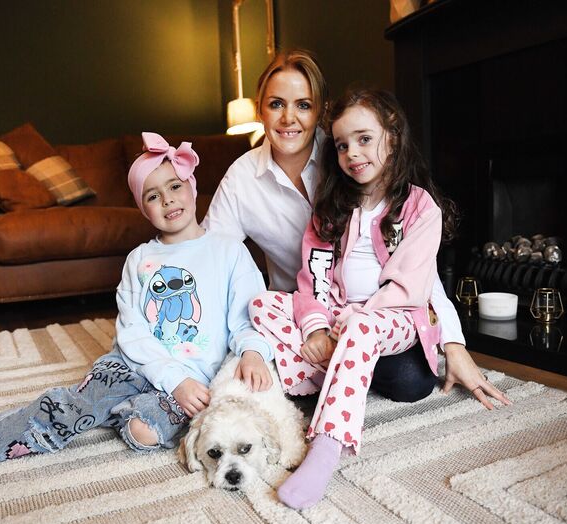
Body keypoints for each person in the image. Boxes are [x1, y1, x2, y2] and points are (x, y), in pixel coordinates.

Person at [0, 132, 273, 480]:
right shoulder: (140, 260)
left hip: (193, 385)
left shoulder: (228, 251)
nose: (168, 201)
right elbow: (131, 333)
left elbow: (249, 315)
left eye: (174, 187)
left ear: (192, 184)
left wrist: (253, 351)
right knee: (63, 413)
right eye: (153, 196)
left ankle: (126, 414)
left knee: (142, 433)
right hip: (133, 368)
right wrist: (172, 378)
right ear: (142, 207)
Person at [250, 87, 512, 509]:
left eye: (364, 138)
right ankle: (335, 369)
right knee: (262, 304)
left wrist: (357, 317)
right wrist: (319, 326)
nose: (353, 152)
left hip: (395, 317)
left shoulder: (419, 207)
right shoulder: (330, 207)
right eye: (341, 145)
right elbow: (311, 278)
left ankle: (328, 443)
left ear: (392, 137)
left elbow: (409, 287)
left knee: (363, 326)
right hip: (338, 317)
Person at [203, 49, 508, 408]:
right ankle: (333, 365)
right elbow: (209, 261)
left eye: (303, 104)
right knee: (255, 328)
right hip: (304, 310)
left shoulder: (351, 157)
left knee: (410, 382)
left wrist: (453, 343)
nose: (289, 118)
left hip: (373, 312)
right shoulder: (241, 178)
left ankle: (330, 368)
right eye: (276, 104)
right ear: (260, 109)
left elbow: (413, 263)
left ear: (320, 110)